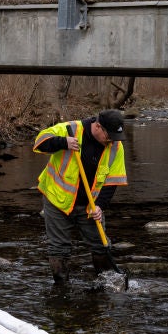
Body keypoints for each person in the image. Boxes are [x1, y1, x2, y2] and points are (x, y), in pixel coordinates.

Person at [33, 109, 128, 283]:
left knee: (101, 245)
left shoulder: (115, 145)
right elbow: (39, 142)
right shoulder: (70, 129)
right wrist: (62, 142)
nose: (112, 141)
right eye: (110, 136)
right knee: (59, 248)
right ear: (98, 126)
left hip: (89, 206)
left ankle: (106, 284)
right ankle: (61, 288)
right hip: (57, 201)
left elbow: (112, 181)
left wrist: (100, 205)